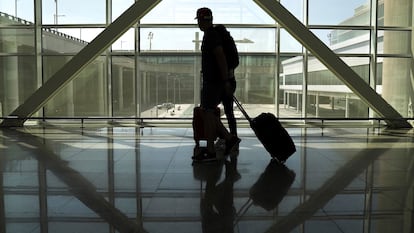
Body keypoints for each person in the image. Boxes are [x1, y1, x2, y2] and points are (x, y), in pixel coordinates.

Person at [194, 7, 240, 162]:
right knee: (208, 113)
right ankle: (226, 140)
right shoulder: (212, 34)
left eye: (199, 20)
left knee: (207, 112)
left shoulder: (211, 35)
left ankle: (213, 149)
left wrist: (225, 81)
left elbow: (220, 56)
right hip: (215, 81)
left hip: (214, 82)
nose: (199, 23)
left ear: (202, 20)